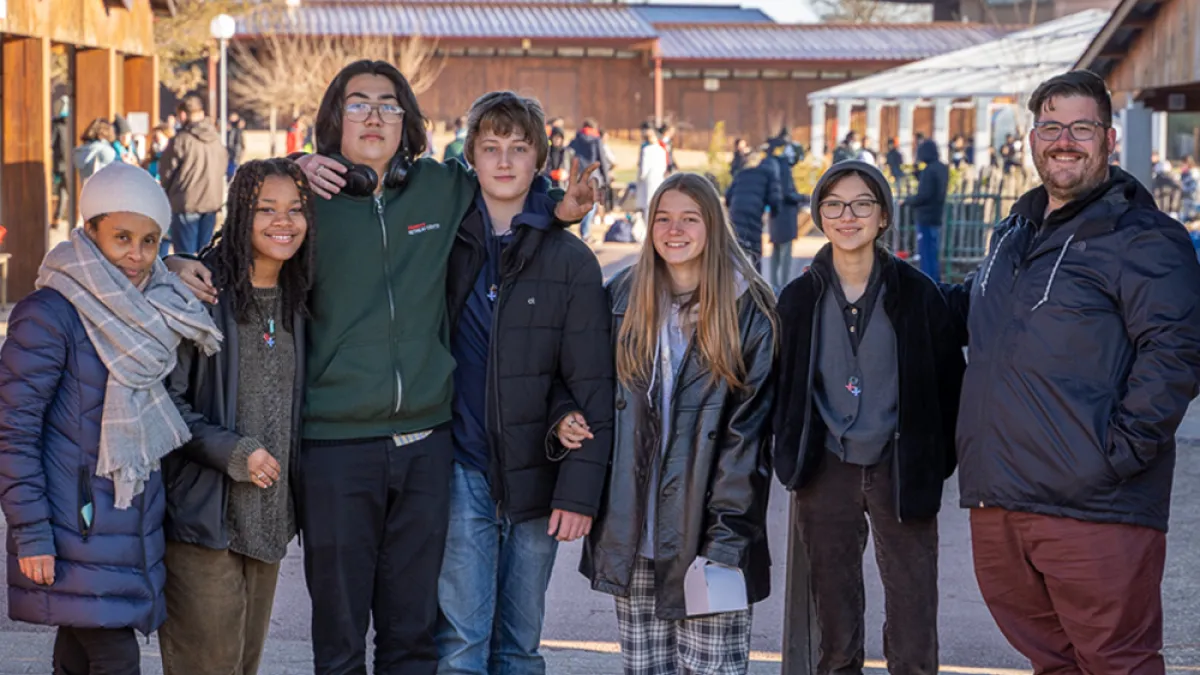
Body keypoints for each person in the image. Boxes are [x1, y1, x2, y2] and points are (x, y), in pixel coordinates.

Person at [168, 63, 598, 675]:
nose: (374, 115)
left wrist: (558, 209)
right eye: (358, 104)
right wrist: (181, 262)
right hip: (336, 448)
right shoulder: (306, 202)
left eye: (389, 105)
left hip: (427, 447)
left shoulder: (441, 188)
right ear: (334, 120)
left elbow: (512, 185)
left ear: (408, 123)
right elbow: (239, 247)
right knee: (340, 638)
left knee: (413, 637)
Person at [942, 70, 1200, 675]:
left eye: (1081, 128)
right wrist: (870, 278)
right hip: (1001, 499)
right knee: (1052, 662)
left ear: (1109, 139)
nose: (1065, 141)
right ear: (1032, 140)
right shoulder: (1015, 232)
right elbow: (967, 311)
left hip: (1095, 505)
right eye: (1051, 127)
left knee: (1116, 662)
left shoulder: (1144, 239)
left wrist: (1117, 457)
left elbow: (1177, 353)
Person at [0, 162, 222, 675]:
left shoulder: (151, 308)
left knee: (78, 658)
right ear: (90, 230)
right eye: (121, 237)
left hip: (125, 527)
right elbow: (13, 433)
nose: (136, 255)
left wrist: (174, 261)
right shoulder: (50, 313)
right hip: (71, 527)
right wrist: (31, 533)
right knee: (114, 658)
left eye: (149, 241)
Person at [436, 91, 614, 675]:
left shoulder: (571, 262)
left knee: (518, 644)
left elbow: (589, 381)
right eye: (491, 148)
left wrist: (579, 491)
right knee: (462, 641)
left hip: (536, 478)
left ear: (540, 158)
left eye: (519, 148)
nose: (505, 161)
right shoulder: (447, 244)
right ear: (472, 158)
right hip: (464, 468)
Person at [573, 172, 775, 675]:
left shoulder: (748, 308)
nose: (674, 229)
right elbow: (582, 386)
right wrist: (564, 417)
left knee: (712, 670)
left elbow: (747, 440)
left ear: (713, 225)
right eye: (663, 218)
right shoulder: (620, 299)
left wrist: (726, 543)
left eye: (690, 218)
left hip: (707, 537)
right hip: (633, 534)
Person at [773, 160, 965, 675]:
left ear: (883, 216)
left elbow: (951, 382)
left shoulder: (919, 294)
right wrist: (793, 452)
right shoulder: (798, 298)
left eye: (862, 204)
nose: (847, 215)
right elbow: (782, 385)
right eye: (833, 205)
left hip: (899, 464)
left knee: (912, 610)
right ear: (819, 215)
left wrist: (932, 460)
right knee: (833, 612)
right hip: (826, 465)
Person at [158, 159, 315, 675]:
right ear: (238, 213)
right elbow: (164, 402)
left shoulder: (300, 299)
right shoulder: (202, 294)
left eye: (295, 209)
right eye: (265, 208)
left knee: (243, 667)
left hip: (267, 523)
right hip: (204, 521)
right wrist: (235, 453)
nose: (282, 221)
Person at [159, 94, 228, 256]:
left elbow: (166, 171)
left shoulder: (181, 139)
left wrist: (167, 192)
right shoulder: (216, 139)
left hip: (186, 201)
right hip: (211, 201)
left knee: (185, 257)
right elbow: (224, 166)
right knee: (205, 254)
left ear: (183, 114)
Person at [725, 149, 781, 274]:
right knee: (755, 249)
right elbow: (775, 198)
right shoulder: (767, 174)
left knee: (736, 246)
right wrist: (775, 212)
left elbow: (728, 196)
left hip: (737, 211)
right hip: (754, 212)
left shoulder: (740, 174)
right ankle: (757, 283)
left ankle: (733, 281)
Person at [904, 139, 949, 282]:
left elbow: (924, 195)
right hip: (937, 215)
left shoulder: (929, 171)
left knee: (926, 254)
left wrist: (908, 201)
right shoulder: (942, 168)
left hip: (925, 216)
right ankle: (935, 280)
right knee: (933, 253)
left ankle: (928, 282)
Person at [768, 138, 804, 285]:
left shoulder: (776, 165)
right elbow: (788, 193)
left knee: (776, 250)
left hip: (776, 214)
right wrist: (803, 197)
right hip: (785, 216)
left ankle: (774, 284)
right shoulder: (784, 168)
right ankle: (782, 285)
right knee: (785, 252)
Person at [637, 123, 668, 226]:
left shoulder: (646, 150)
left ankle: (648, 226)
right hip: (659, 178)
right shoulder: (662, 150)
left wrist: (641, 177)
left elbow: (644, 168)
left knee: (648, 203)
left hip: (649, 179)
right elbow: (664, 166)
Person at [74, 117, 119, 184]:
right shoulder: (105, 150)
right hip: (105, 189)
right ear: (106, 132)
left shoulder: (82, 150)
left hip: (87, 190)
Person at [51, 96, 72, 225]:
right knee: (65, 192)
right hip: (63, 164)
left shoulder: (58, 124)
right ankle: (59, 218)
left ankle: (59, 217)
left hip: (62, 163)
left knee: (64, 192)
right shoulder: (61, 124)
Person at [227, 111, 247, 178]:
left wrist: (238, 156)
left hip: (234, 157)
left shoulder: (238, 132)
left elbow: (240, 145)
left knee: (232, 175)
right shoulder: (229, 131)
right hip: (230, 157)